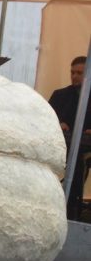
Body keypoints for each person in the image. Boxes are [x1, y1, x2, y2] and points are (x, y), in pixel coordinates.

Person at [49, 56, 91, 219]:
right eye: (72, 72)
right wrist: (58, 123)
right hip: (62, 145)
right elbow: (47, 119)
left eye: (79, 73)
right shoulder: (60, 95)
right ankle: (67, 204)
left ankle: (71, 206)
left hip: (84, 147)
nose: (74, 76)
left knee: (79, 161)